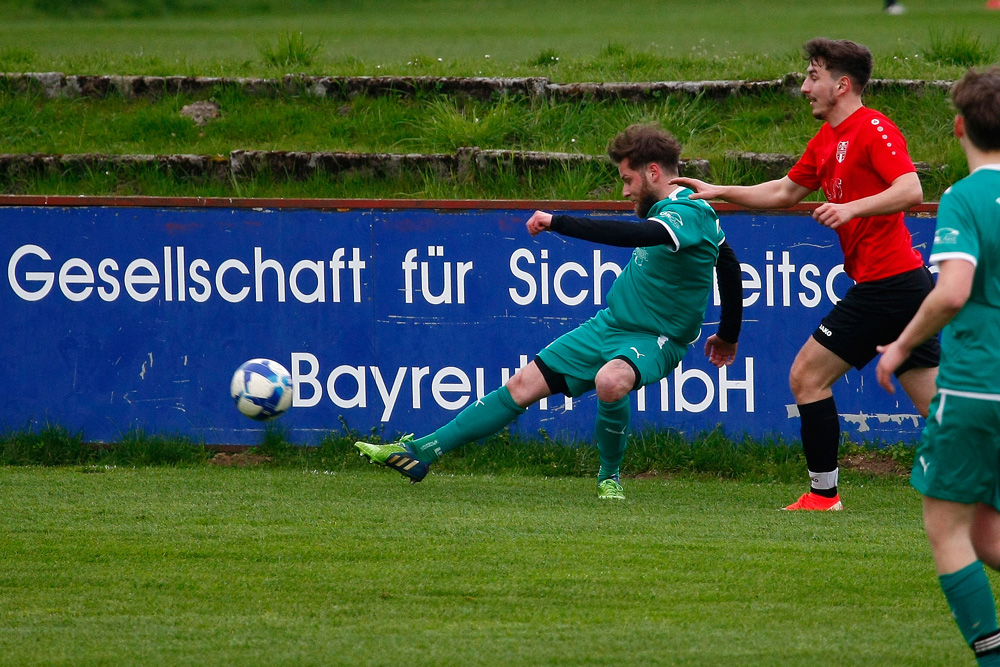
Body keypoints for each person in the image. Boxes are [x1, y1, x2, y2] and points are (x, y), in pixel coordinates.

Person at [355, 123, 744, 500]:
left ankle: (609, 477)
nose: (624, 190)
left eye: (627, 180)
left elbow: (639, 236)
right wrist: (728, 333)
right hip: (609, 325)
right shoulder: (685, 213)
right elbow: (725, 260)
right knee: (521, 386)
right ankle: (421, 451)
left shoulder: (689, 210)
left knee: (611, 380)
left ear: (653, 172)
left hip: (656, 338)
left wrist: (558, 221)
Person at [671, 37, 939, 511]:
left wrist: (850, 209)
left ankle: (823, 495)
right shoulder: (827, 140)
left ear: (842, 84)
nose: (803, 87)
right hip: (904, 286)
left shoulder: (873, 129)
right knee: (938, 409)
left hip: (888, 285)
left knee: (806, 376)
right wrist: (720, 190)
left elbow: (911, 189)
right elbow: (784, 192)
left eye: (813, 76)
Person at [875, 67, 1000, 667]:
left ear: (958, 127)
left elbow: (952, 292)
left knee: (946, 529)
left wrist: (900, 348)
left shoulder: (966, 197)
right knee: (987, 535)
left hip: (979, 385)